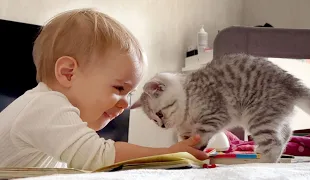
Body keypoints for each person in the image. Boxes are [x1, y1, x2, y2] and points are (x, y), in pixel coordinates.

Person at [0, 8, 208, 171]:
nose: (126, 103)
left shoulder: (49, 114)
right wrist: (168, 153)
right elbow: (99, 157)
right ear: (68, 73)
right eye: (119, 88)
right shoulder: (44, 106)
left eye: (130, 93)